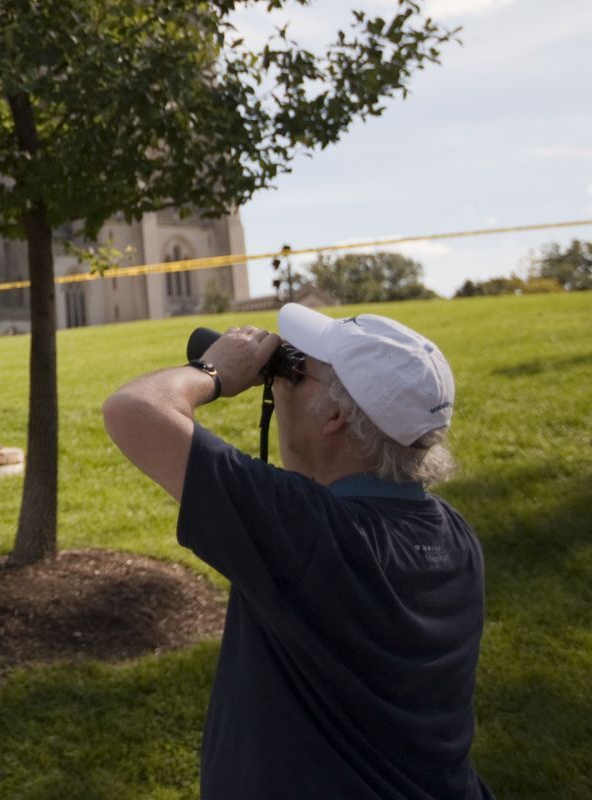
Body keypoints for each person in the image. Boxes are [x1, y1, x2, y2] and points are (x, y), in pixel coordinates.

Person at [102, 304, 494, 799]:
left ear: (334, 415)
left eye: (293, 371)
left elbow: (133, 408)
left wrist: (215, 370)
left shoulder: (306, 532)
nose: (278, 384)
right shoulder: (452, 534)